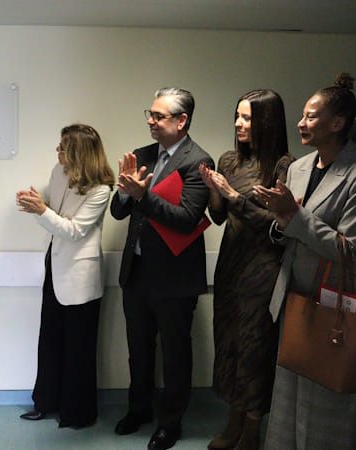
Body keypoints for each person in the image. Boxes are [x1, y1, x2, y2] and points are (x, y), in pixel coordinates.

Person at [255, 73, 356, 449]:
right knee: (287, 399)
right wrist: (280, 221)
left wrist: (294, 217)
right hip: (293, 297)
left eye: (311, 117)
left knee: (326, 400)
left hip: (333, 305)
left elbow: (350, 251)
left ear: (338, 123)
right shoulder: (298, 168)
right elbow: (286, 227)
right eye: (302, 115)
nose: (301, 123)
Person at [111, 88, 214, 450]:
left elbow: (186, 219)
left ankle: (170, 423)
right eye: (150, 114)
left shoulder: (197, 161)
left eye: (159, 116)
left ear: (182, 120)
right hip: (137, 271)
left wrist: (143, 196)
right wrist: (126, 191)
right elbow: (118, 211)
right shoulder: (142, 155)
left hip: (174, 278)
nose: (151, 122)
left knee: (175, 354)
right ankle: (138, 409)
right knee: (138, 349)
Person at [199, 90, 293, 450]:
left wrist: (234, 196)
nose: (239, 123)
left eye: (248, 118)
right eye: (237, 116)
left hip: (263, 270)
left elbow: (278, 224)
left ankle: (253, 425)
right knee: (229, 344)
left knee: (255, 349)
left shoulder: (283, 166)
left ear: (267, 121)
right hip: (230, 266)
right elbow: (219, 216)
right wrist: (214, 190)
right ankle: (233, 419)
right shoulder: (229, 160)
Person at [16, 123, 114, 429]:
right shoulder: (58, 173)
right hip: (54, 267)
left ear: (78, 152)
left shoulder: (101, 189)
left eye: (62, 147)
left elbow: (74, 230)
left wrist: (41, 210)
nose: (57, 151)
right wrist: (37, 204)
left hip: (80, 276)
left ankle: (77, 414)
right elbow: (53, 212)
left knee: (79, 348)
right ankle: (45, 403)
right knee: (50, 340)